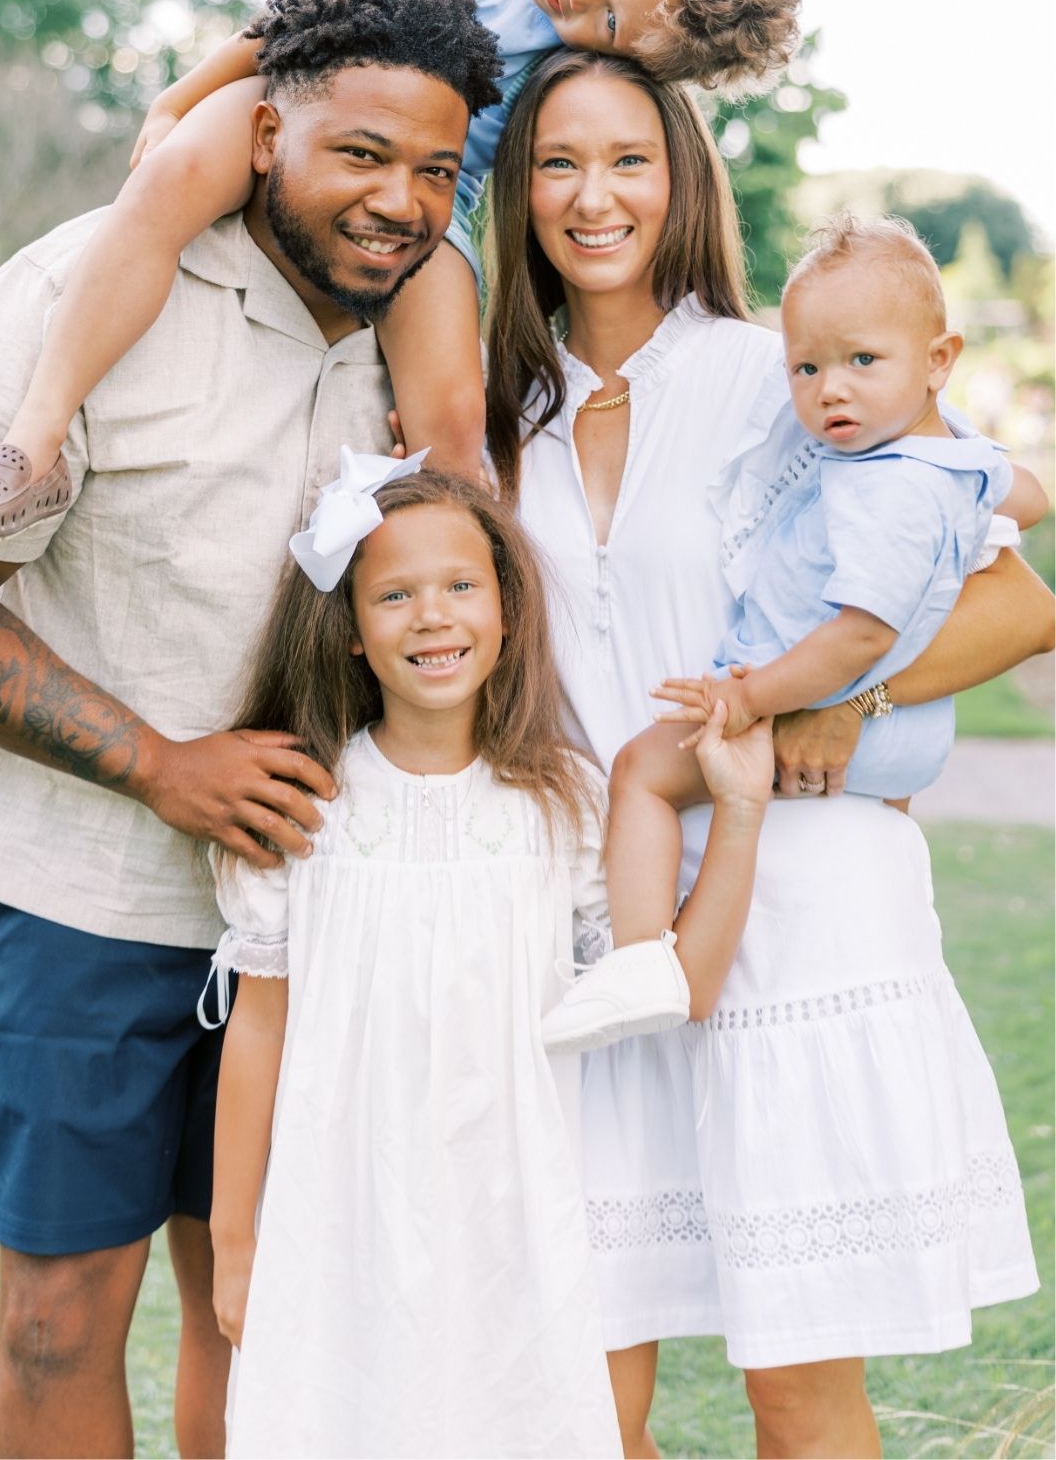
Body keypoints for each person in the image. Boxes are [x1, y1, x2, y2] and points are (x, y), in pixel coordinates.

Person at [0, 0, 502, 1460]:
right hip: (84, 901)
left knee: (261, 1316)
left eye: (432, 169)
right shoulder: (86, 289)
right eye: (359, 153)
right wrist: (158, 767)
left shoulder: (416, 326)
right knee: (60, 1318)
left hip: (320, 907)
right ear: (260, 132)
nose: (400, 200)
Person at [484, 47, 1050, 1457]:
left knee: (796, 1395)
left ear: (681, 182)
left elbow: (1013, 598)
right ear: (519, 189)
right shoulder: (490, 405)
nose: (592, 194)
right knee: (577, 1396)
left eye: (629, 158)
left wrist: (834, 710)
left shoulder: (784, 373)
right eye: (557, 161)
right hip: (593, 940)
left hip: (800, 907)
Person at [203, 460, 773, 1459]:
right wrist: (235, 1238)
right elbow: (258, 1024)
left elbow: (673, 984)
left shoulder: (564, 802)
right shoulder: (306, 806)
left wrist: (739, 807)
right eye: (393, 593)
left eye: (460, 585)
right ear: (347, 624)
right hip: (335, 1211)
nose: (432, 616)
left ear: (506, 609)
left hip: (510, 1212)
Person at [0, 0, 803, 531]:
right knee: (172, 181)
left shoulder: (580, 61)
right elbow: (298, 16)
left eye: (609, 24)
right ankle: (34, 437)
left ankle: (467, 643)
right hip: (312, 103)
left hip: (435, 199)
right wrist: (181, 97)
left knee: (457, 422)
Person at [542, 214, 1049, 1053]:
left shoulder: (890, 485)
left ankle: (641, 959)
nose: (829, 390)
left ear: (940, 364)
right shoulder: (920, 462)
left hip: (802, 712)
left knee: (642, 770)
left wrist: (750, 699)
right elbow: (1023, 494)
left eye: (861, 362)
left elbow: (869, 636)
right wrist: (974, 489)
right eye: (806, 368)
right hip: (863, 747)